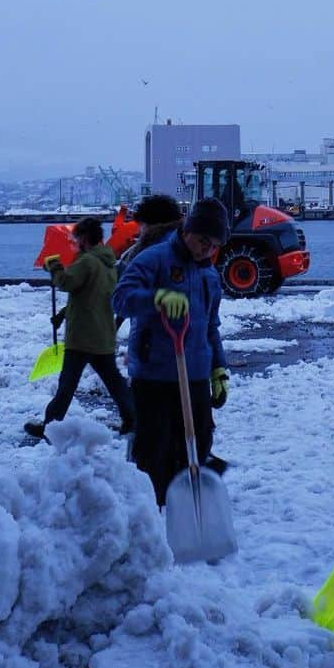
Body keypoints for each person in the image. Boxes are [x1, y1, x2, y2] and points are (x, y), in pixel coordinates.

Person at [112, 197, 230, 506]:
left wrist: (219, 368)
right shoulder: (154, 259)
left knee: (198, 442)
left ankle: (184, 507)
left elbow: (210, 327)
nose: (207, 249)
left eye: (214, 245)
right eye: (203, 240)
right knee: (154, 449)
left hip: (195, 375)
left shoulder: (210, 276)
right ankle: (153, 511)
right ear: (189, 230)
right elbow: (121, 298)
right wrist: (157, 298)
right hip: (153, 374)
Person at [25, 216, 133, 440]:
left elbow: (66, 283)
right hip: (102, 335)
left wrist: (53, 266)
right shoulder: (108, 263)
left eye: (76, 238)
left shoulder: (86, 262)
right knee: (114, 382)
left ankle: (50, 426)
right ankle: (133, 419)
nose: (74, 242)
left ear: (84, 237)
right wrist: (63, 314)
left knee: (67, 384)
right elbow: (89, 296)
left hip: (82, 337)